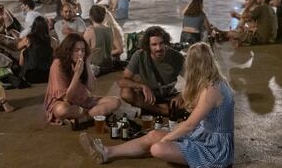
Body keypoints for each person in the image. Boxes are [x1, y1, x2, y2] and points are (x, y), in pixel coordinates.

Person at [80, 42, 234, 167]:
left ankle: (196, 160)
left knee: (158, 148)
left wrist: (167, 139)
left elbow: (190, 125)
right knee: (154, 134)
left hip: (214, 149)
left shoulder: (212, 89)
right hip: (202, 136)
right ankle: (106, 152)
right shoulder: (214, 82)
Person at [44, 33, 121, 127]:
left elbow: (92, 87)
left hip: (83, 101)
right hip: (65, 103)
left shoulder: (82, 61)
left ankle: (81, 119)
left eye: (83, 50)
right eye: (76, 50)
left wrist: (87, 63)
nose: (80, 54)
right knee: (62, 110)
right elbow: (66, 98)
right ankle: (93, 114)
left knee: (115, 101)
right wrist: (77, 74)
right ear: (68, 50)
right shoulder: (58, 64)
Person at [117, 26, 184, 116]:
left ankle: (150, 110)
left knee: (199, 97)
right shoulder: (139, 56)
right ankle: (162, 111)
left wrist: (182, 95)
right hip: (148, 98)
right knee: (126, 93)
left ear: (166, 42)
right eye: (154, 45)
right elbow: (121, 82)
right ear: (148, 46)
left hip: (169, 96)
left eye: (161, 43)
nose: (159, 48)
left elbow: (194, 80)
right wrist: (142, 86)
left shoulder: (177, 57)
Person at [18, 16, 54, 83]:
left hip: (30, 75)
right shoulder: (49, 39)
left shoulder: (29, 38)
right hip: (46, 75)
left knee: (23, 51)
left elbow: (18, 46)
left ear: (34, 26)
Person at [84, 5, 114, 75]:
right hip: (109, 65)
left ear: (90, 17)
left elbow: (83, 51)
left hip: (96, 68)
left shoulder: (90, 31)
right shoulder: (110, 29)